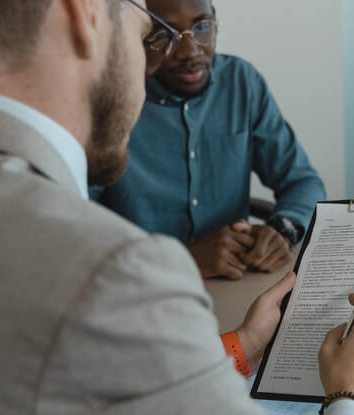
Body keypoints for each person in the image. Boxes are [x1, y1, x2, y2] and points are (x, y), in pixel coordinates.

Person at [0, 0, 354, 414]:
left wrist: (240, 348)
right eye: (147, 28)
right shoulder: (113, 276)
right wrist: (353, 397)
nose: (159, 56)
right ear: (83, 15)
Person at [92, 0, 326, 280]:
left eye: (202, 27)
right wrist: (184, 257)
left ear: (215, 19)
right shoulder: (110, 99)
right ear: (138, 32)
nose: (190, 52)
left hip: (236, 281)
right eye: (165, 33)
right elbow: (76, 225)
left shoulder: (242, 82)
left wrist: (282, 229)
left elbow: (303, 181)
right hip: (142, 285)